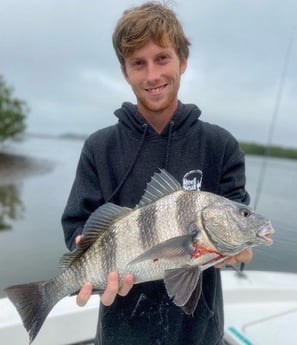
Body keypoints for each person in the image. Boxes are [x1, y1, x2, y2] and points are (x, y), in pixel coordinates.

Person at [61, 2, 252, 344]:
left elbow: (237, 213)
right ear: (125, 72)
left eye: (162, 58)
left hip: (199, 334)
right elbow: (77, 225)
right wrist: (83, 248)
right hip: (121, 331)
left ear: (183, 61)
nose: (152, 75)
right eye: (138, 63)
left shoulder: (220, 145)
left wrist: (241, 246)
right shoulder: (98, 147)